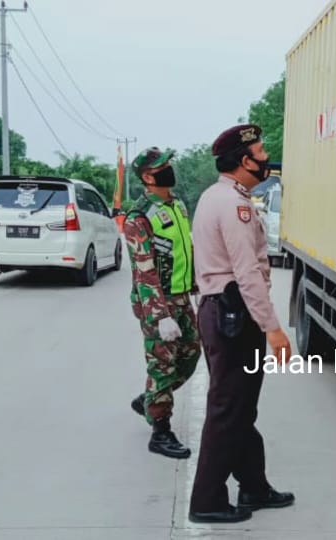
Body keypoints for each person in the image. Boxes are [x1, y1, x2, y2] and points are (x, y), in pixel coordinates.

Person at [187, 124, 294, 524]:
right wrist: (273, 327)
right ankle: (207, 501)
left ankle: (254, 485)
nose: (267, 158)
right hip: (234, 315)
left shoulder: (216, 197)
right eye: (261, 152)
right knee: (228, 410)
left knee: (239, 407)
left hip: (222, 312)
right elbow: (246, 271)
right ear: (244, 161)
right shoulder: (235, 205)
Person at [124, 147, 201, 459]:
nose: (170, 168)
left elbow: (184, 249)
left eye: (169, 163)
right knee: (162, 365)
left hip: (181, 297)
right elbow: (145, 271)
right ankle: (160, 430)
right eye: (162, 166)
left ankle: (151, 398)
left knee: (191, 355)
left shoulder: (177, 205)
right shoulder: (139, 217)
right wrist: (160, 315)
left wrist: (196, 284)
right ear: (147, 176)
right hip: (158, 304)